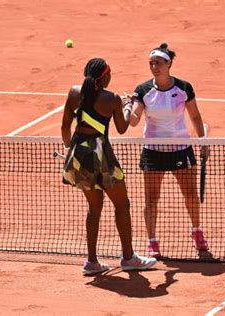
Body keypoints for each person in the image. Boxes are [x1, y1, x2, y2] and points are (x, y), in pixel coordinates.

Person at [61, 57, 157, 275]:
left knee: (94, 208)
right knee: (122, 204)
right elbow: (122, 127)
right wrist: (126, 105)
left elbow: (65, 125)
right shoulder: (111, 98)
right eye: (110, 72)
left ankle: (92, 262)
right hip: (101, 156)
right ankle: (129, 258)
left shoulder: (74, 93)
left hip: (79, 155)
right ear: (104, 76)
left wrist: (70, 149)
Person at [129, 43, 210, 259]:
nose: (154, 67)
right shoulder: (143, 90)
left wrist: (203, 141)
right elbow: (134, 121)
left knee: (191, 196)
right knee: (151, 199)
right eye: (151, 63)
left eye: (158, 63)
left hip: (180, 149)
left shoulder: (183, 88)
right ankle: (152, 241)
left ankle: (197, 232)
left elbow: (195, 116)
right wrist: (128, 109)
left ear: (169, 64)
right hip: (153, 151)